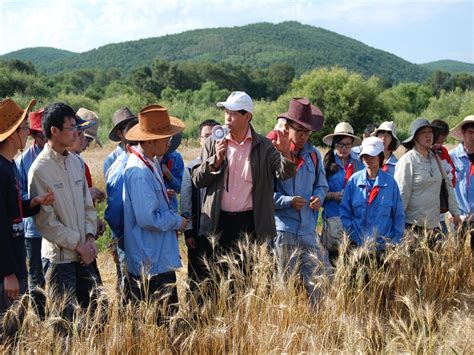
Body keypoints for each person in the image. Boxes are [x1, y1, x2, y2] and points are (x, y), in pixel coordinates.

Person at [191, 91, 296, 257]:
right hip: (218, 221)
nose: (227, 118)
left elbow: (285, 174)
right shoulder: (213, 142)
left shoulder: (264, 145)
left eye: (233, 113)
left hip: (251, 222)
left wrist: (286, 152)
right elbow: (197, 179)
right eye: (226, 112)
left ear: (247, 117)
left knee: (249, 276)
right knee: (219, 278)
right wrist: (215, 161)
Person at [28, 102, 101, 323]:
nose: (76, 132)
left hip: (85, 254)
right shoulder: (39, 169)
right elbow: (46, 223)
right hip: (60, 261)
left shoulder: (77, 163)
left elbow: (88, 206)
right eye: (70, 127)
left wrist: (89, 239)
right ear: (54, 131)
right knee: (64, 323)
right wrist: (78, 245)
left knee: (99, 315)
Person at [122, 104, 188, 314]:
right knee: (160, 321)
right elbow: (147, 218)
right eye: (165, 137)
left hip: (156, 257)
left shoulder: (151, 163)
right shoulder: (140, 171)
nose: (169, 142)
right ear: (150, 140)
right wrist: (177, 221)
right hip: (150, 260)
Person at [0, 98, 54, 336]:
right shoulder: (1, 169)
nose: (27, 133)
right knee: (9, 335)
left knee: (16, 333)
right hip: (7, 271)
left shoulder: (9, 165)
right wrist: (7, 273)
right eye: (24, 129)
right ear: (13, 134)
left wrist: (34, 203)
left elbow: (12, 210)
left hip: (15, 260)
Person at [272, 98, 330, 305]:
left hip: (308, 229)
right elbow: (263, 196)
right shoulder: (274, 154)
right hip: (283, 230)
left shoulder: (314, 155)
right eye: (299, 131)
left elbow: (322, 185)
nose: (304, 136)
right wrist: (288, 201)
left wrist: (319, 198)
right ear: (287, 129)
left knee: (321, 281)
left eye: (307, 132)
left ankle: (321, 325)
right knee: (284, 285)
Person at [394, 118, 461, 244]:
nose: (428, 135)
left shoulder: (436, 158)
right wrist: (398, 227)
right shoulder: (407, 161)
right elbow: (401, 196)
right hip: (413, 227)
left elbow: (447, 186)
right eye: (423, 132)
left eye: (430, 131)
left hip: (434, 226)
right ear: (415, 138)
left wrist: (455, 212)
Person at [340, 137, 405, 252]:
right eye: (365, 155)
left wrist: (394, 242)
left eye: (372, 155)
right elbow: (345, 212)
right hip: (357, 247)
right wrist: (353, 237)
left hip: (384, 249)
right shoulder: (353, 181)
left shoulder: (390, 183)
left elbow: (398, 215)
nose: (367, 159)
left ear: (380, 157)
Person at [14, 108, 48, 317]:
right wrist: (39, 198)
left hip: (57, 227)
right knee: (36, 277)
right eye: (42, 134)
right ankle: (42, 318)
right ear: (34, 136)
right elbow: (20, 198)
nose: (47, 138)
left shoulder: (62, 156)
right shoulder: (22, 161)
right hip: (34, 229)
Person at [180, 119, 219, 292]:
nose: (209, 140)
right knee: (197, 278)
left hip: (220, 231)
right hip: (198, 233)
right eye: (206, 136)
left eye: (213, 136)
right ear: (200, 140)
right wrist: (188, 231)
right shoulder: (191, 168)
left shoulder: (225, 165)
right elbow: (186, 203)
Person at [104, 117, 138, 297]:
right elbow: (115, 211)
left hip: (136, 239)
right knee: (129, 289)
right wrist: (125, 234)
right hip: (127, 240)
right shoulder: (121, 168)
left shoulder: (144, 164)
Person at [321, 122, 363, 265]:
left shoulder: (358, 164)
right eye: (340, 144)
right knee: (334, 262)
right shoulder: (325, 164)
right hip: (333, 219)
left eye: (348, 145)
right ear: (334, 144)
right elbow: (317, 192)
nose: (344, 148)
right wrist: (332, 195)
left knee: (352, 264)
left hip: (353, 221)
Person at [449, 114, 474, 250]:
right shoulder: (452, 157)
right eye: (470, 132)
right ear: (463, 133)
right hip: (458, 215)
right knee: (456, 254)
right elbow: (445, 186)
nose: (473, 136)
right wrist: (450, 212)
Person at [431, 119, 456, 235]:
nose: (438, 145)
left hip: (440, 210)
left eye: (441, 142)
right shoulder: (418, 154)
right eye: (436, 142)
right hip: (422, 213)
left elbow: (452, 179)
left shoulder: (444, 152)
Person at [103, 107, 137, 178]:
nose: (132, 129)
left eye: (133, 125)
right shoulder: (111, 160)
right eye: (127, 127)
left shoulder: (142, 151)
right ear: (119, 133)